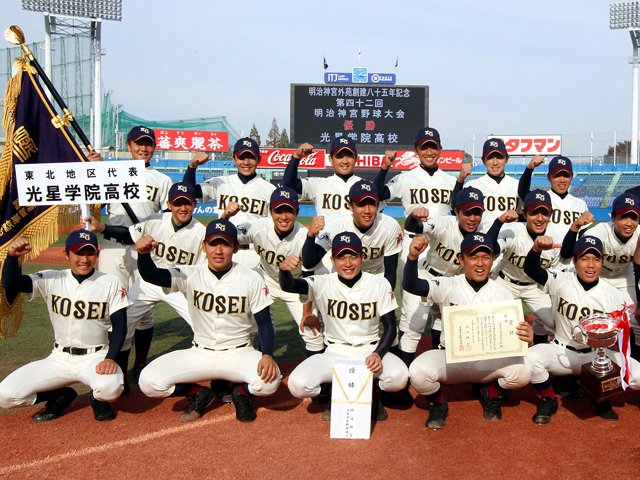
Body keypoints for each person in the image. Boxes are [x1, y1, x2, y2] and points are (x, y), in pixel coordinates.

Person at [136, 218, 281, 422]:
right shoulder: (190, 273)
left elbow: (264, 322)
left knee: (271, 382)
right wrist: (143, 255)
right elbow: (153, 275)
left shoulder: (251, 278)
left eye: (225, 244)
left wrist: (267, 354)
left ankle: (241, 393)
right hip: (200, 352)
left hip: (239, 351)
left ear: (236, 247)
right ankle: (197, 393)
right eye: (213, 243)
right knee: (148, 382)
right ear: (204, 246)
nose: (219, 250)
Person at [403, 233, 533, 429]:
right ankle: (438, 402)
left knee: (524, 370)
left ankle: (492, 392)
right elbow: (412, 285)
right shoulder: (448, 284)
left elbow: (514, 337)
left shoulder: (504, 294)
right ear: (461, 260)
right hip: (451, 360)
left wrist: (526, 338)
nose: (480, 263)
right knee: (417, 372)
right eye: (473, 257)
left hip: (486, 364)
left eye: (486, 257)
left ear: (492, 259)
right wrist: (412, 258)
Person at [86, 182, 206, 390]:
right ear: (169, 204)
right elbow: (128, 234)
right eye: (178, 203)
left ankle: (208, 376)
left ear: (194, 204)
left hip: (181, 286)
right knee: (121, 325)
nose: (183, 208)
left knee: (204, 329)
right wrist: (101, 228)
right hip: (148, 282)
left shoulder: (200, 232)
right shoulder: (155, 221)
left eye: (187, 203)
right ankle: (120, 376)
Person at [0, 230, 131, 422]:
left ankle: (98, 399)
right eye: (78, 253)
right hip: (59, 358)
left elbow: (120, 327)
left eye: (89, 253)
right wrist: (12, 258)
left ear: (97, 254)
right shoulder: (52, 278)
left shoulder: (110, 282)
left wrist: (111, 359)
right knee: (5, 395)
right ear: (67, 254)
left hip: (95, 357)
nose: (84, 259)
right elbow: (10, 284)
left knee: (110, 388)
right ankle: (59, 395)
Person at [279, 232, 408, 422]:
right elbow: (290, 286)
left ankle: (373, 394)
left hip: (369, 349)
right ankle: (336, 393)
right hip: (335, 352)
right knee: (298, 385)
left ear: (362, 257)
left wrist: (378, 354)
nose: (347, 263)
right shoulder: (323, 282)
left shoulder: (379, 283)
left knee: (399, 378)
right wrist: (283, 270)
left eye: (353, 256)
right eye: (341, 257)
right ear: (332, 259)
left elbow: (390, 327)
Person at [524, 234, 640, 422]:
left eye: (596, 259)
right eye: (585, 259)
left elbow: (620, 337)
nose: (591, 265)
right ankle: (549, 398)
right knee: (528, 361)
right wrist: (536, 249)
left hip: (596, 356)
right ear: (575, 260)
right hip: (562, 352)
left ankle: (600, 394)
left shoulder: (613, 295)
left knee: (638, 375)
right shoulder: (560, 279)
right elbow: (530, 269)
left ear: (603, 261)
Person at [372, 127, 459, 368]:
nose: (429, 151)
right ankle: (402, 371)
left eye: (433, 146)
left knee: (445, 311)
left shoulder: (451, 182)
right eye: (424, 147)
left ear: (440, 149)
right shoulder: (406, 177)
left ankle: (440, 366)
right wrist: (384, 168)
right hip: (414, 246)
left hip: (442, 248)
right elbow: (377, 193)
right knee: (413, 313)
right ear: (417, 151)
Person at [98, 125, 173, 383]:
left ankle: (140, 364)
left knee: (143, 311)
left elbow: (166, 217)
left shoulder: (163, 180)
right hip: (113, 247)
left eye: (148, 143)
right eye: (138, 143)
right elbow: (92, 198)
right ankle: (116, 368)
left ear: (154, 147)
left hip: (145, 249)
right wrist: (93, 170)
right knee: (113, 309)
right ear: (128, 145)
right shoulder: (111, 172)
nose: (143, 147)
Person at [400, 187, 505, 359]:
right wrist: (413, 217)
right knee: (414, 326)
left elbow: (493, 246)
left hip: (451, 282)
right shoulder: (443, 223)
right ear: (457, 211)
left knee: (444, 324)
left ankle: (437, 366)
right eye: (467, 213)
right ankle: (403, 373)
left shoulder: (481, 233)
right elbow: (414, 226)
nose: (472, 218)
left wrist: (499, 221)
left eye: (477, 213)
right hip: (426, 274)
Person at [221, 186, 324, 356]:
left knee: (312, 333)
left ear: (297, 212)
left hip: (296, 284)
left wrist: (307, 312)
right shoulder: (257, 227)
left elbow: (309, 276)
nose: (283, 217)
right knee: (249, 325)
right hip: (265, 278)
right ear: (270, 211)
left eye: (289, 211)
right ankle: (253, 365)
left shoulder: (304, 237)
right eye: (278, 211)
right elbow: (225, 236)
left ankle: (320, 378)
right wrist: (225, 217)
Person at [561, 192, 640, 357]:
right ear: (613, 218)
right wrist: (575, 228)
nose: (629, 223)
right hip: (599, 277)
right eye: (623, 217)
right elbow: (571, 253)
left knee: (634, 321)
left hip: (625, 277)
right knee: (588, 318)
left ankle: (633, 362)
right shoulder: (600, 232)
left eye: (634, 218)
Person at [182, 137, 275, 268]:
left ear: (258, 159)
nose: (246, 162)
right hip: (224, 251)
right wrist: (192, 167)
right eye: (242, 157)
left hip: (254, 254)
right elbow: (188, 192)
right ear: (234, 159)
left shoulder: (270, 190)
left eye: (251, 157)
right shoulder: (220, 182)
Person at [494, 190, 567, 344]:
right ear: (525, 214)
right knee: (496, 322)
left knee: (557, 324)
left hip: (536, 288)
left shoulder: (558, 236)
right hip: (505, 282)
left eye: (544, 213)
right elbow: (491, 249)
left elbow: (558, 277)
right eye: (534, 213)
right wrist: (499, 221)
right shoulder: (512, 230)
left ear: (550, 215)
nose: (540, 218)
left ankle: (544, 349)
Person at [302, 179, 402, 290]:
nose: (367, 210)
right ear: (350, 206)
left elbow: (391, 271)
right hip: (344, 275)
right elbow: (309, 263)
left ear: (378, 206)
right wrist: (310, 235)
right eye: (361, 205)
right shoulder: (336, 226)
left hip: (376, 274)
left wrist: (387, 299)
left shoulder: (390, 226)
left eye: (372, 204)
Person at [282, 137, 363, 217]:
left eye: (349, 156)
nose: (345, 161)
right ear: (331, 159)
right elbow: (289, 185)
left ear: (356, 158)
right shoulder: (319, 184)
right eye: (339, 156)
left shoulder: (365, 187)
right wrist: (296, 157)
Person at [518, 155, 589, 236]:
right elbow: (522, 191)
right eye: (557, 175)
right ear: (549, 177)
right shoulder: (541, 200)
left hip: (571, 248)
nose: (562, 180)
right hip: (546, 247)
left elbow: (583, 234)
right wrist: (529, 168)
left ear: (571, 177)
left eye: (566, 175)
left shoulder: (581, 204)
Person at [462, 138, 520, 230]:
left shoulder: (518, 186)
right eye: (490, 157)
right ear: (483, 160)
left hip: (512, 239)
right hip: (482, 239)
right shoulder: (472, 186)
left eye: (499, 157)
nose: (495, 162)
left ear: (507, 159)